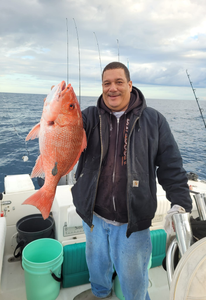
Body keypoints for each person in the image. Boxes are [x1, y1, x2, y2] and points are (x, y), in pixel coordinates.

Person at [71, 62, 192, 300]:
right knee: (96, 266)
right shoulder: (87, 117)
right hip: (93, 215)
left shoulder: (154, 121)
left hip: (132, 222)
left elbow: (171, 167)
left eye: (118, 82)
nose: (112, 89)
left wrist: (181, 204)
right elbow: (64, 137)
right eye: (107, 83)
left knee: (134, 279)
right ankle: (100, 293)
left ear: (130, 84)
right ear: (102, 87)